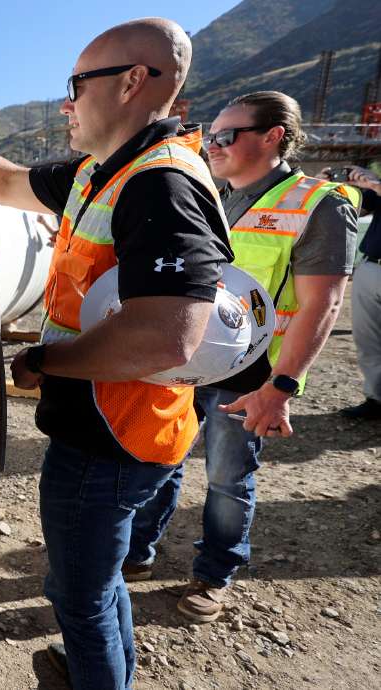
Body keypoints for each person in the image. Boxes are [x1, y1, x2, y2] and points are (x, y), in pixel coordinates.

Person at [0, 17, 231, 690]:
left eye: (77, 83)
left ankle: (95, 677)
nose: (66, 102)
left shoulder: (159, 184)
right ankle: (102, 672)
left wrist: (44, 364)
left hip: (113, 435)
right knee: (96, 579)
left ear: (135, 81)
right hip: (109, 425)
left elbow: (170, 335)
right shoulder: (100, 172)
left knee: (78, 594)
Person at [123, 91, 359, 624]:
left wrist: (282, 387)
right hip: (188, 359)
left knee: (228, 477)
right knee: (162, 458)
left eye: (227, 136)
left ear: (273, 136)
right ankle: (138, 554)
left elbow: (322, 305)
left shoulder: (319, 204)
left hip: (252, 376)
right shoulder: (211, 193)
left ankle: (213, 574)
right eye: (212, 136)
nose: (214, 145)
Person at [326, 165, 381, 419]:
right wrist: (332, 188)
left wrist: (376, 185)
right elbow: (359, 207)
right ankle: (376, 398)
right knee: (368, 341)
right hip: (372, 265)